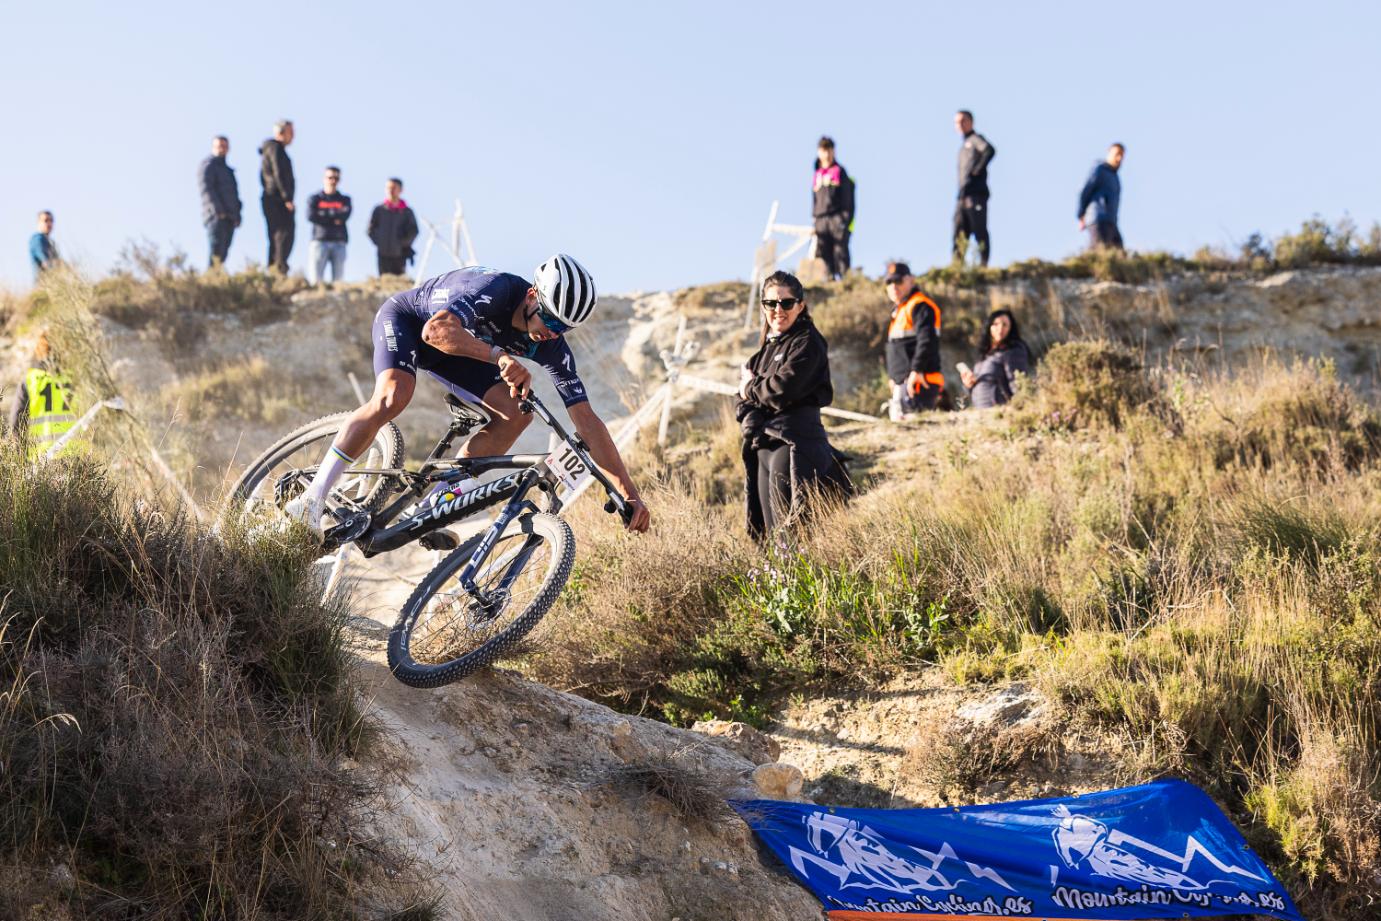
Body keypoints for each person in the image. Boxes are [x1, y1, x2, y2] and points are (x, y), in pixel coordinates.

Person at [283, 256, 651, 536]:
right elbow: (435, 331)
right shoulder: (494, 289)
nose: (552, 334)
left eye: (563, 329)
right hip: (410, 322)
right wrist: (500, 356)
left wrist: (628, 490)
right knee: (393, 396)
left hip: (460, 347)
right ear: (532, 296)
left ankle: (434, 505)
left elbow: (587, 420)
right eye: (551, 321)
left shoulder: (552, 345)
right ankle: (312, 498)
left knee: (517, 413)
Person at [736, 270, 852, 539]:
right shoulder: (762, 353)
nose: (779, 310)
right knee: (768, 540)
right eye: (771, 303)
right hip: (762, 446)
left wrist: (750, 389)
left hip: (793, 444)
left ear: (800, 305)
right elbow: (739, 400)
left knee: (791, 537)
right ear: (763, 306)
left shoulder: (808, 342)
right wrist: (750, 411)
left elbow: (782, 389)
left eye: (786, 303)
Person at [882, 261, 944, 419]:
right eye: (889, 282)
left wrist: (917, 370)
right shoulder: (900, 310)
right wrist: (893, 378)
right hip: (904, 383)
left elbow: (927, 341)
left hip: (919, 382)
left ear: (911, 280)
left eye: (898, 280)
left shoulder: (920, 305)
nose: (893, 286)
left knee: (916, 427)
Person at [8, 331, 78, 458]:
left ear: (39, 351)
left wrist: (21, 458)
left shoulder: (29, 381)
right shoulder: (73, 379)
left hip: (41, 458)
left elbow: (16, 422)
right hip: (73, 456)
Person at [960, 309, 1031, 409]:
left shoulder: (1014, 351)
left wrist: (1019, 408)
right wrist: (968, 384)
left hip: (1001, 411)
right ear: (989, 327)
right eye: (996, 324)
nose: (1000, 328)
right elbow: (977, 389)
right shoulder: (985, 355)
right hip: (980, 411)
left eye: (1005, 325)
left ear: (1011, 328)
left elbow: (1018, 383)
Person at [953, 110, 996, 266]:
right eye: (957, 122)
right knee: (959, 232)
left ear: (970, 122)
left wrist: (976, 171)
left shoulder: (975, 140)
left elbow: (989, 150)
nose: (960, 125)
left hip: (976, 194)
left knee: (979, 230)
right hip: (963, 195)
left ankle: (983, 266)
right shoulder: (963, 146)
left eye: (963, 121)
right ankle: (957, 268)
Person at [812, 137, 854, 280]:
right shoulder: (817, 174)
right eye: (824, 150)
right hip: (820, 219)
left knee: (840, 252)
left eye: (829, 150)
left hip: (837, 218)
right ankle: (829, 281)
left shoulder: (839, 171)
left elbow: (848, 198)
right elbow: (814, 199)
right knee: (823, 252)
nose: (827, 154)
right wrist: (815, 218)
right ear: (819, 152)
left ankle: (845, 281)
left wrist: (844, 220)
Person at [199, 135, 242, 268]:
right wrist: (218, 211)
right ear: (213, 147)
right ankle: (211, 278)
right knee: (216, 253)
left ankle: (218, 277)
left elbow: (235, 195)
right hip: (215, 217)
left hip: (230, 218)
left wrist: (237, 215)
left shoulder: (228, 171)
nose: (222, 149)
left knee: (223, 254)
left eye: (224, 146)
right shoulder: (208, 166)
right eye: (219, 146)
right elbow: (207, 190)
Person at [259, 120, 296, 273]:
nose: (293, 136)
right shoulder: (275, 148)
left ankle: (275, 269)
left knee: (277, 236)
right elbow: (278, 173)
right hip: (276, 199)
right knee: (282, 235)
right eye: (290, 132)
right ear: (281, 133)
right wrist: (287, 198)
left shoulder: (273, 149)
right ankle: (278, 269)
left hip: (274, 198)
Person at [307, 166, 352, 285]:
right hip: (319, 241)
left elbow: (345, 216)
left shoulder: (345, 199)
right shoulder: (315, 199)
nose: (333, 181)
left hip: (339, 242)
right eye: (330, 177)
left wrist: (323, 214)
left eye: (336, 178)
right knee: (316, 282)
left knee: (338, 282)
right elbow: (311, 216)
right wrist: (334, 216)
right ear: (324, 178)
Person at [368, 178, 419, 276]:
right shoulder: (379, 210)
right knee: (384, 280)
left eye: (393, 187)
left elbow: (414, 231)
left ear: (400, 190)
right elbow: (370, 230)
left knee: (400, 282)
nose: (390, 190)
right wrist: (380, 242)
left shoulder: (407, 212)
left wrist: (402, 243)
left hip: (400, 255)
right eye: (388, 188)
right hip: (382, 254)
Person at [1078, 143, 1125, 251]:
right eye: (1117, 154)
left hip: (1111, 221)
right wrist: (1081, 214)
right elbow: (1085, 191)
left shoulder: (1115, 177)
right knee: (1099, 250)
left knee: (1119, 251)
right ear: (1109, 153)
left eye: (1122, 156)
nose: (1119, 158)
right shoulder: (1099, 170)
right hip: (1098, 219)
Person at [29, 211, 59, 280]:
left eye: (51, 221)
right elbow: (46, 260)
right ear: (38, 223)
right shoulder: (38, 239)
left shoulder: (50, 241)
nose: (49, 223)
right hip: (45, 282)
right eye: (45, 220)